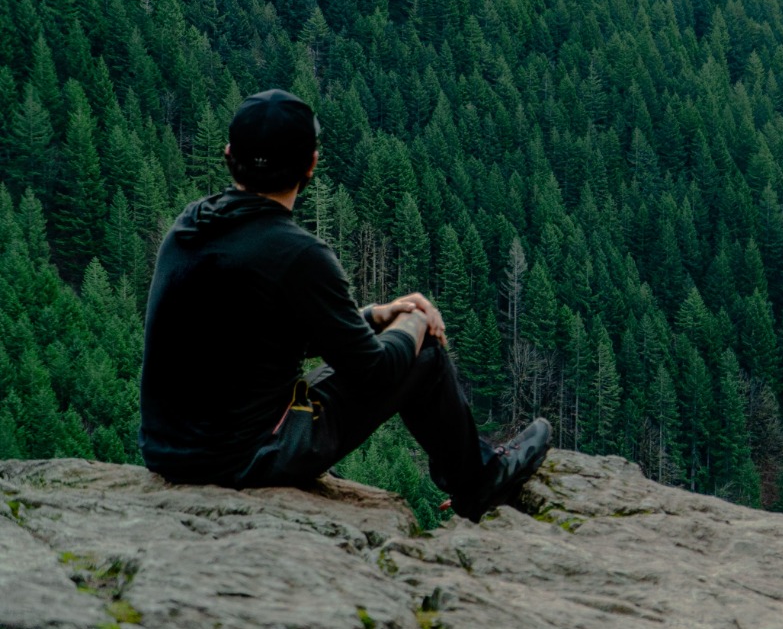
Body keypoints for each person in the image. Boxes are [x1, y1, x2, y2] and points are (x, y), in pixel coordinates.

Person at [139, 88, 549, 521]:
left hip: (169, 455)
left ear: (227, 155)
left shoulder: (189, 226)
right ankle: (479, 480)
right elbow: (374, 373)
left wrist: (374, 315)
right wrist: (412, 320)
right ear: (311, 165)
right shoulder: (298, 254)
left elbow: (266, 335)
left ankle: (476, 471)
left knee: (393, 345)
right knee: (422, 355)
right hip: (249, 459)